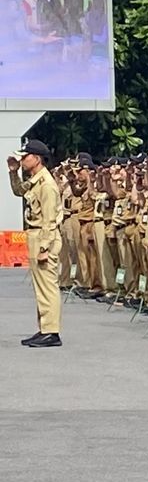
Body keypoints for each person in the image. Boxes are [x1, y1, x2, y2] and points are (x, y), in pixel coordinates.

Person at [8, 139, 63, 347]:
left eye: (25, 156)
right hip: (36, 234)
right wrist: (13, 172)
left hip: (43, 236)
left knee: (47, 286)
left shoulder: (47, 184)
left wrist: (44, 249)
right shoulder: (35, 180)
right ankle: (44, 328)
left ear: (37, 158)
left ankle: (51, 331)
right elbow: (18, 191)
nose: (22, 160)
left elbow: (49, 220)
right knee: (40, 287)